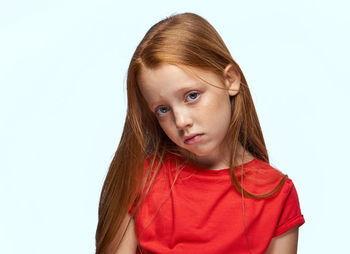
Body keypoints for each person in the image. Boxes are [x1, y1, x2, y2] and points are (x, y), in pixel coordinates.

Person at [95, 12, 305, 254]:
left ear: (230, 80)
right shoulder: (139, 179)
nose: (181, 121)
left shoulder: (276, 193)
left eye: (192, 96)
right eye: (163, 110)